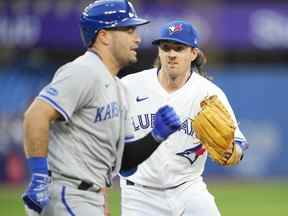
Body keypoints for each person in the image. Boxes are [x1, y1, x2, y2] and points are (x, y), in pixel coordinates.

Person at [21, 1, 181, 216]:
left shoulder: (119, 88)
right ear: (104, 35)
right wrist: (39, 176)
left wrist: (157, 135)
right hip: (67, 193)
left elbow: (125, 164)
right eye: (128, 29)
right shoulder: (83, 70)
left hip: (90, 196)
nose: (138, 38)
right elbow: (36, 115)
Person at [120, 19, 249, 216]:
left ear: (193, 53)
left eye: (179, 48)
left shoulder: (208, 94)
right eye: (166, 48)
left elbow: (238, 144)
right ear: (159, 52)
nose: (171, 54)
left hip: (188, 189)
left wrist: (233, 151)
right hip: (139, 193)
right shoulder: (129, 86)